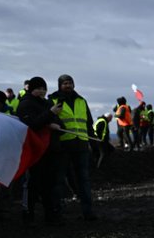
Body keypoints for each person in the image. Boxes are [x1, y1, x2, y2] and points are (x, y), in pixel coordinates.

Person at [48, 74, 97, 221]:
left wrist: (93, 145)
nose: (68, 86)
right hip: (62, 145)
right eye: (64, 83)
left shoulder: (82, 101)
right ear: (59, 85)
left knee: (84, 179)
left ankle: (88, 212)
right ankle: (57, 212)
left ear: (74, 84)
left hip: (81, 144)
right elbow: (49, 120)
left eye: (70, 83)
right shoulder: (53, 100)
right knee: (59, 179)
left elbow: (88, 123)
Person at [16, 76, 63, 226]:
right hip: (35, 151)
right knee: (32, 184)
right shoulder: (25, 104)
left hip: (51, 149)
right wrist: (50, 115)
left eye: (44, 88)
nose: (42, 91)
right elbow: (31, 124)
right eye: (38, 89)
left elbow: (59, 123)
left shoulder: (48, 103)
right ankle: (28, 215)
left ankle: (50, 215)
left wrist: (55, 123)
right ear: (31, 89)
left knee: (49, 184)